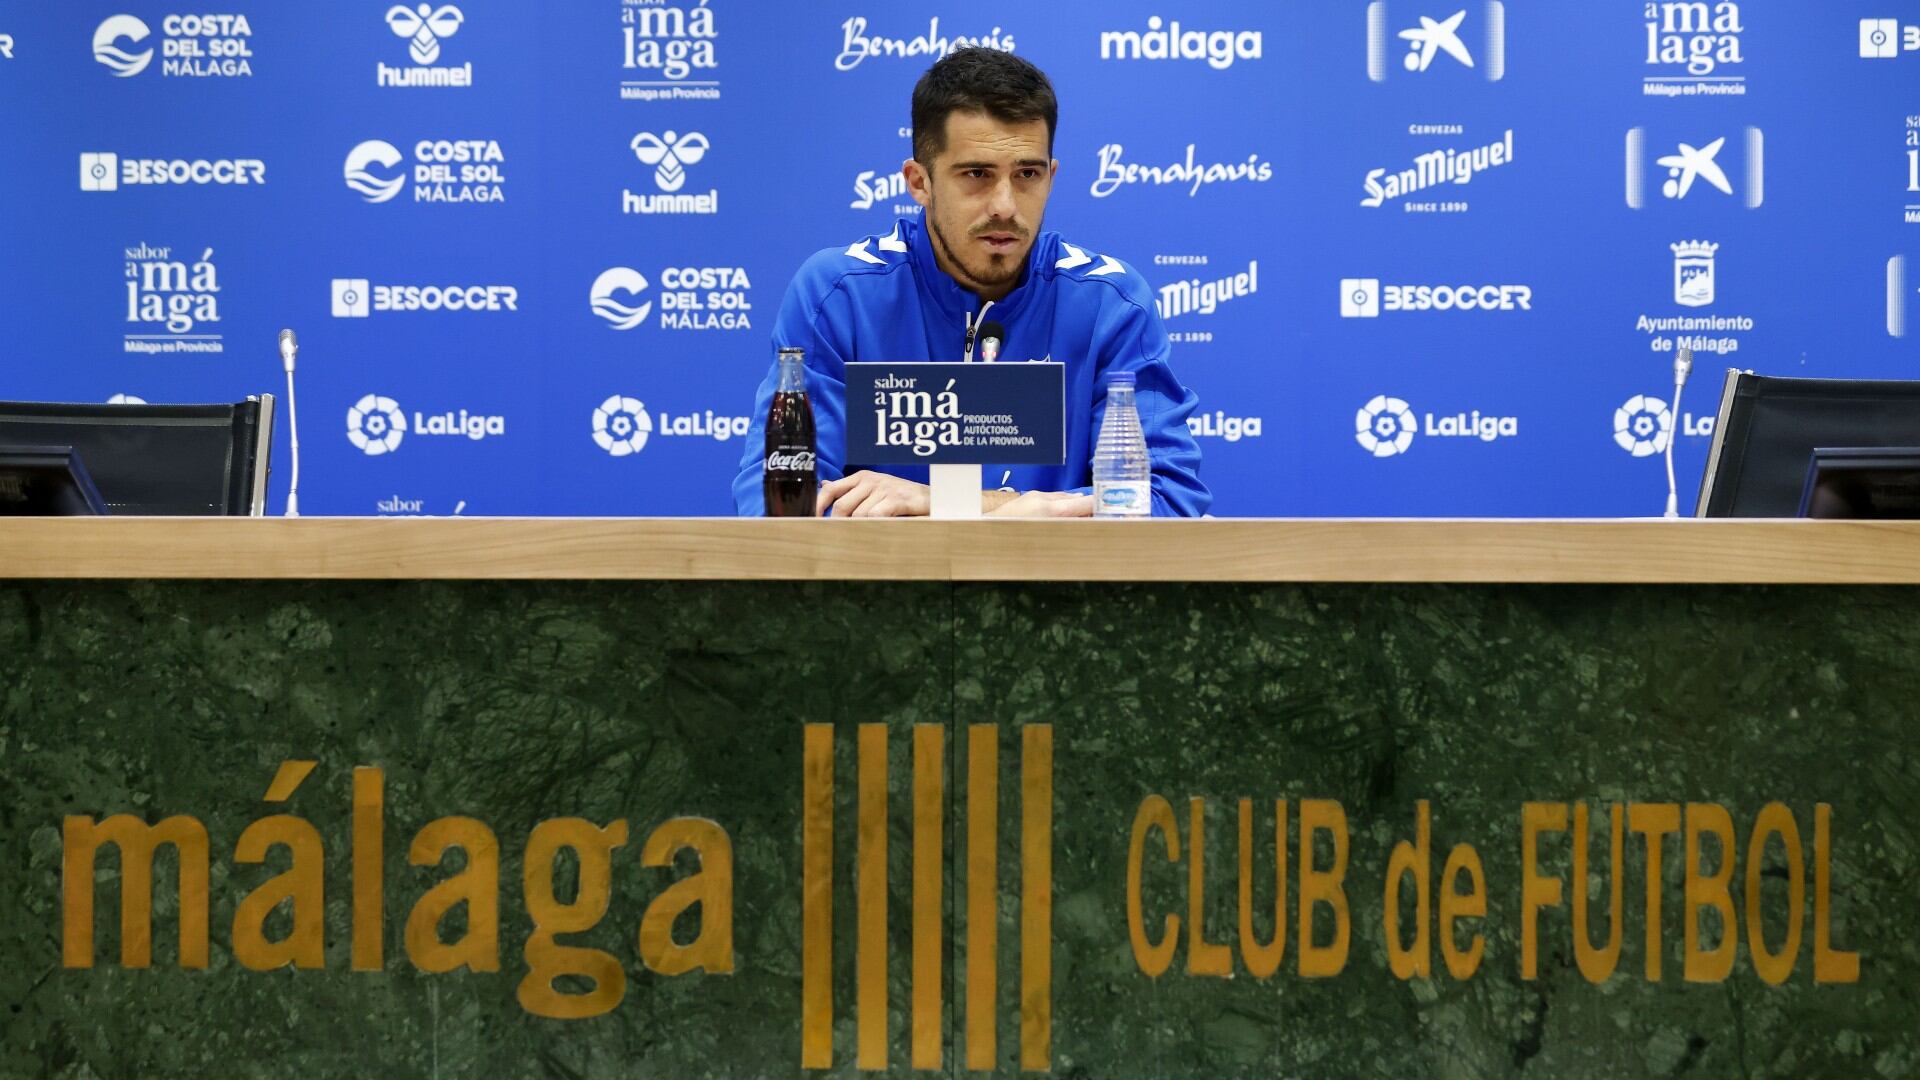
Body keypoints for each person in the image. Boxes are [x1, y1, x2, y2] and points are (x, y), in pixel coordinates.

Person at [731, 47, 1210, 518]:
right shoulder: (840, 294)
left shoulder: (1111, 304)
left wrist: (956, 505)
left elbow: (1167, 504)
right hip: (885, 593)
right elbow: (777, 509)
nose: (1004, 204)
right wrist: (1000, 519)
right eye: (977, 174)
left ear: (1052, 177)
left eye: (1027, 174)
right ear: (919, 182)